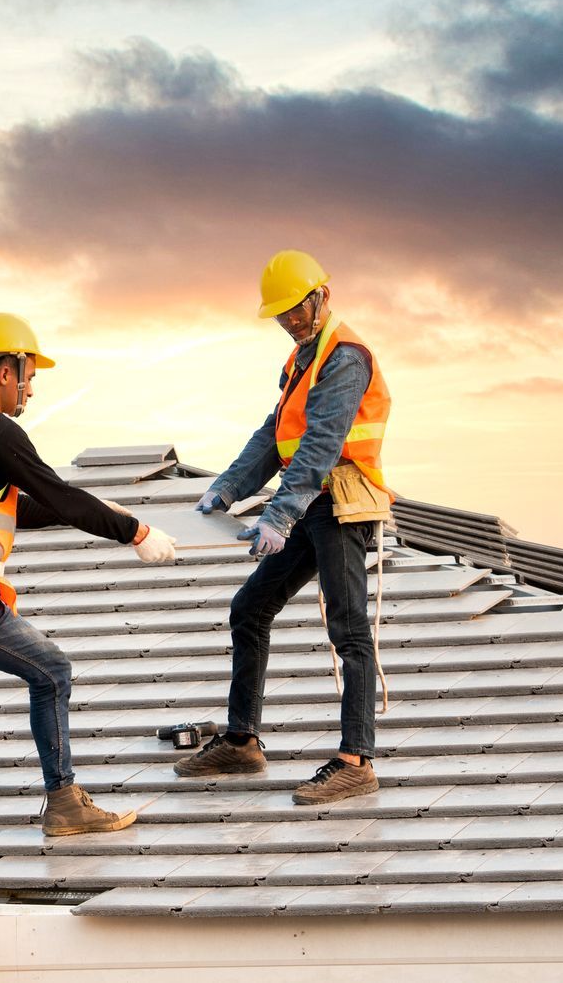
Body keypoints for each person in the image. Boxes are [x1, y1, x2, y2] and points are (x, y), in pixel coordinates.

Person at [0, 311, 179, 901]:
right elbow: (52, 491)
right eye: (29, 376)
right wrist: (133, 531)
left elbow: (20, 509)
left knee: (51, 670)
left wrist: (83, 505)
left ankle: (62, 803)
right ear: (8, 369)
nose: (32, 387)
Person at [175, 251, 393, 805]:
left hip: (339, 501)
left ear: (321, 296)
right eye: (282, 316)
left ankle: (356, 759)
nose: (290, 322)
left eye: (296, 311)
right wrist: (227, 487)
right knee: (250, 608)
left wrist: (278, 514)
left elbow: (321, 443)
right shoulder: (303, 359)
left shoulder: (344, 358)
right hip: (308, 502)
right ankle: (243, 741)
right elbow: (276, 435)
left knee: (349, 629)